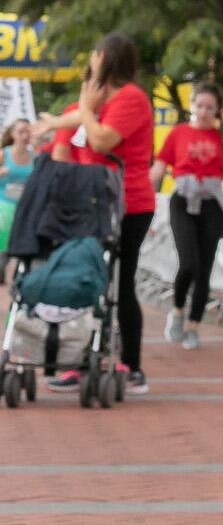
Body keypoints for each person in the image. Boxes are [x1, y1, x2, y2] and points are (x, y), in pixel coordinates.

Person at [33, 33, 158, 394]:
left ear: (109, 58)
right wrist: (54, 123)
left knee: (119, 283)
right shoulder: (93, 100)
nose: (91, 58)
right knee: (85, 278)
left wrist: (84, 111)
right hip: (88, 203)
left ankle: (130, 365)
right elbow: (68, 131)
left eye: (95, 53)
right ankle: (77, 360)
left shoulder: (131, 98)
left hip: (128, 204)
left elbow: (103, 139)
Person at [151, 83, 223, 350]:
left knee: (204, 269)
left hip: (211, 203)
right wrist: (138, 193)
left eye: (210, 107)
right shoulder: (177, 133)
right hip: (182, 200)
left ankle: (193, 327)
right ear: (192, 105)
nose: (203, 112)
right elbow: (157, 170)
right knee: (188, 262)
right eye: (199, 105)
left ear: (217, 110)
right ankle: (178, 310)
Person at [0, 119, 34, 283]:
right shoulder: (3, 154)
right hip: (4, 203)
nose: (25, 136)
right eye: (21, 132)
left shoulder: (35, 158)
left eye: (28, 132)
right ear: (13, 134)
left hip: (24, 206)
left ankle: (18, 271)